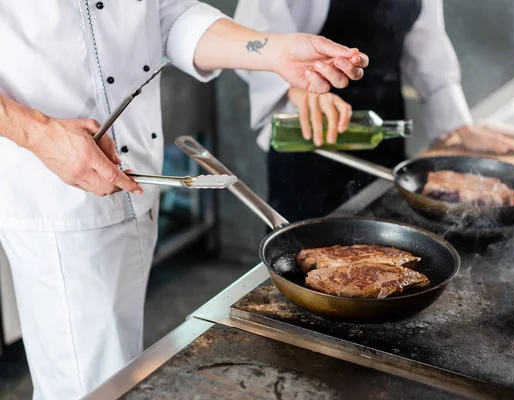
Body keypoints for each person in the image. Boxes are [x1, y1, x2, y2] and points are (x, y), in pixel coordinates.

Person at [0, 2, 368, 398]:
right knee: (85, 385)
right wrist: (36, 133)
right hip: (58, 194)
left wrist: (274, 50)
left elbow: (168, 16)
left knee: (118, 374)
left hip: (134, 170)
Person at [234, 0, 514, 222]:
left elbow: (426, 41)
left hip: (384, 128)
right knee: (303, 255)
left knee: (383, 237)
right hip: (309, 134)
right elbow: (251, 40)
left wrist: (457, 124)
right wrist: (297, 87)